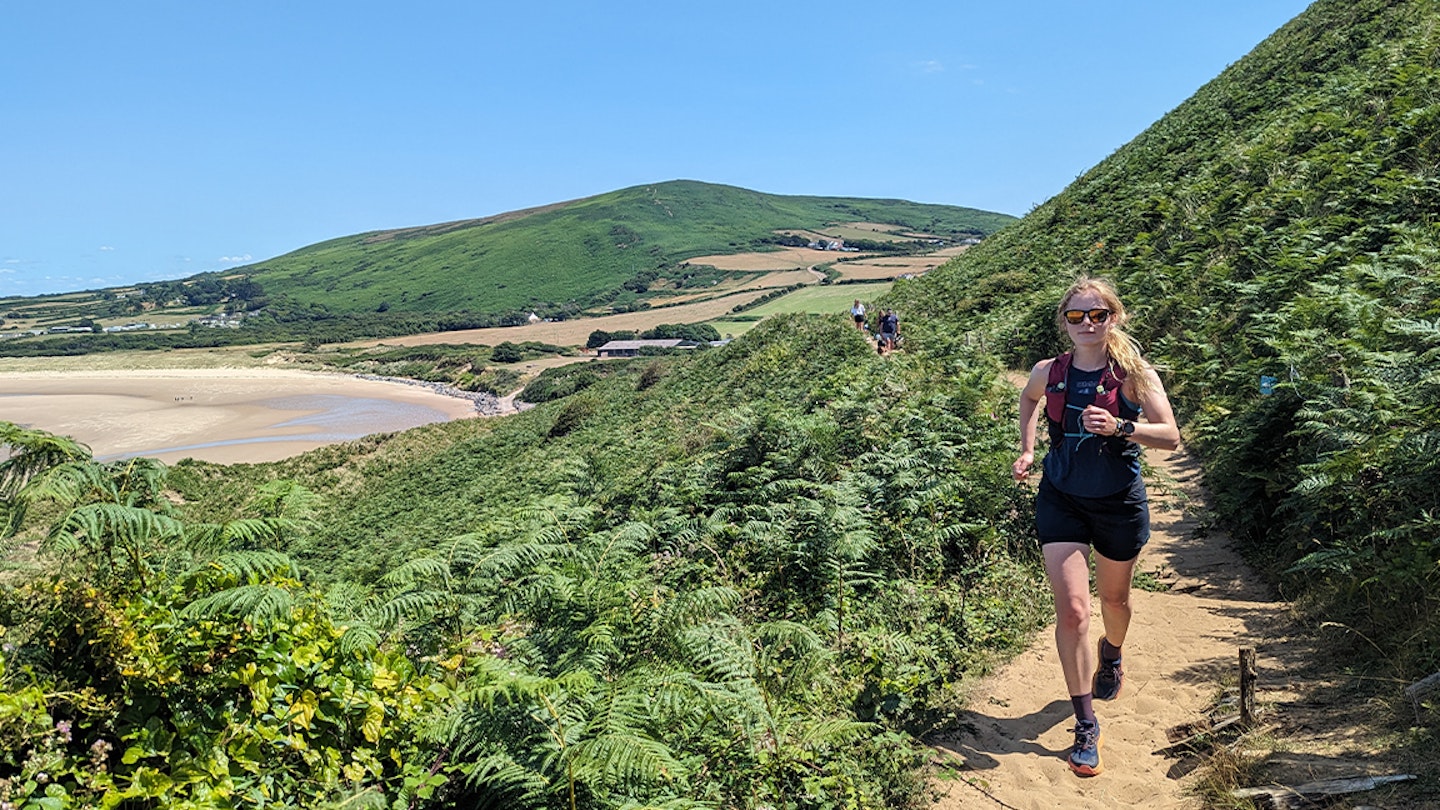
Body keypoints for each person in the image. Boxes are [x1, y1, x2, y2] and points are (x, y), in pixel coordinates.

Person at [1011, 276, 1179, 777]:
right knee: (1075, 612)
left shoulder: (1134, 374)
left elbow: (1170, 436)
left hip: (1117, 502)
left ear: (1114, 317)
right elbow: (1028, 400)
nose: (1087, 324)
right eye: (1076, 316)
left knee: (1114, 604)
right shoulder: (1049, 371)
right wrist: (1026, 448)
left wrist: (1123, 427)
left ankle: (1113, 653)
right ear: (1063, 322)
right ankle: (1086, 723)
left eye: (1097, 315)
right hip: (1061, 497)